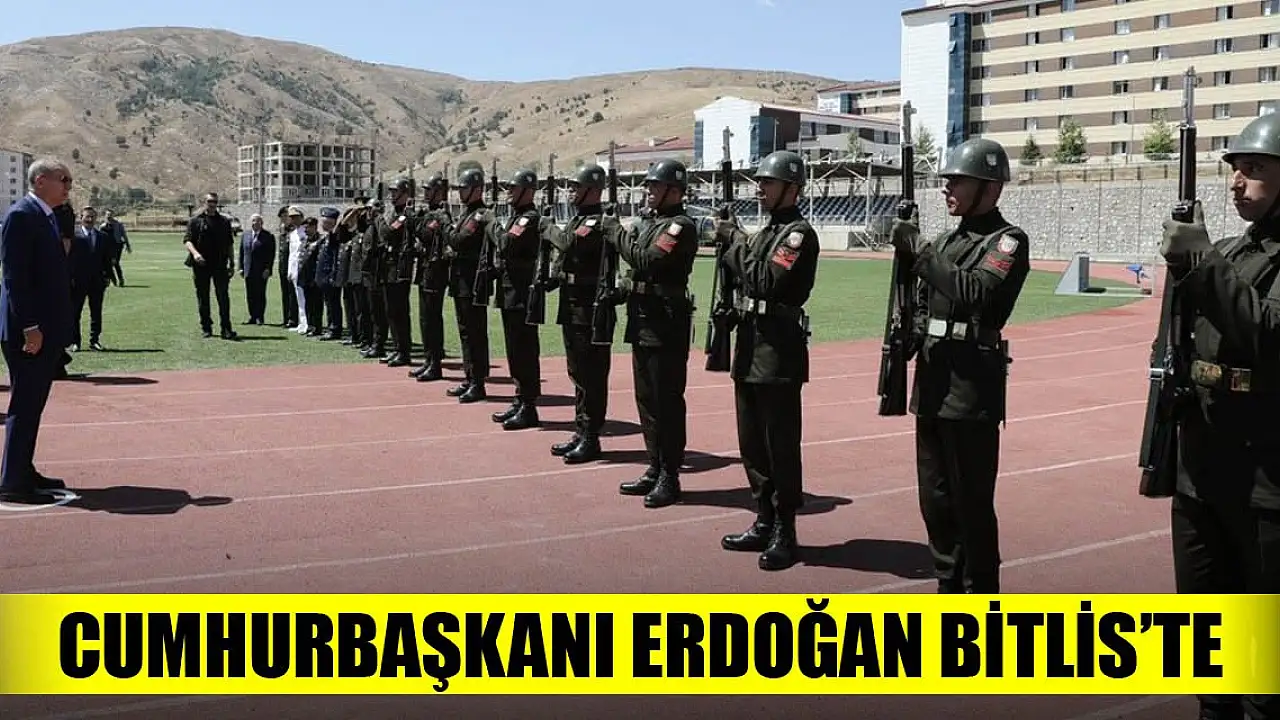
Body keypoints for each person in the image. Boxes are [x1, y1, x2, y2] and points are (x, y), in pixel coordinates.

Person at [1159, 112, 1280, 720]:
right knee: (1206, 641)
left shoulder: (1226, 257)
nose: (1237, 180)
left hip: (1264, 477)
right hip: (1202, 465)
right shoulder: (1232, 251)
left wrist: (1202, 262)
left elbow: (1267, 332)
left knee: (1261, 663)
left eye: (1253, 169)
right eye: (1233, 168)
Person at [890, 137, 1028, 594]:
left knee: (971, 504)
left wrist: (919, 251)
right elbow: (923, 301)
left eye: (958, 181)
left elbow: (977, 293)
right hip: (933, 382)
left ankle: (980, 595)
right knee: (935, 500)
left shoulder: (1007, 241)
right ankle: (948, 587)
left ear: (989, 187)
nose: (947, 188)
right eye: (946, 180)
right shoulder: (948, 241)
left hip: (971, 388)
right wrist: (906, 335)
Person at [715, 150, 819, 571]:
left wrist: (734, 241)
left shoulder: (797, 236)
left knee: (779, 446)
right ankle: (763, 518)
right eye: (759, 182)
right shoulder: (763, 234)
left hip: (778, 353)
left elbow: (765, 281)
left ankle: (785, 530)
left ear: (791, 189)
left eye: (768, 182)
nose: (759, 188)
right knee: (752, 444)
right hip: (750, 347)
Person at [613, 159, 698, 508]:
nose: (648, 190)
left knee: (666, 402)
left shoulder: (679, 227)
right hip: (644, 319)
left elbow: (649, 261)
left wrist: (616, 234)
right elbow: (639, 271)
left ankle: (670, 474)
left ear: (674, 191)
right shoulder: (652, 223)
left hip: (666, 323)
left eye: (655, 185)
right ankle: (655, 465)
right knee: (646, 400)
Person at [0, 158, 74, 504]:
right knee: (25, 404)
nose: (68, 186)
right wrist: (30, 326)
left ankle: (21, 469)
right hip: (28, 330)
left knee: (32, 405)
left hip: (44, 327)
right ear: (41, 180)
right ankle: (14, 482)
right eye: (64, 179)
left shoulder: (46, 216)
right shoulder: (22, 216)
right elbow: (15, 278)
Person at [545, 164, 617, 463]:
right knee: (577, 371)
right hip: (573, 303)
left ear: (593, 190)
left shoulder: (597, 222)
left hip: (590, 308)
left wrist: (548, 228)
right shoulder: (579, 219)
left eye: (576, 187)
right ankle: (581, 430)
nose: (571, 192)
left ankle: (591, 435)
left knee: (591, 374)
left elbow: (567, 243)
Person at [490, 168, 544, 430]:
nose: (509, 192)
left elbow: (505, 245)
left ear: (527, 191)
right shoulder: (517, 217)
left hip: (522, 294)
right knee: (514, 350)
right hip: (511, 292)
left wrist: (491, 225)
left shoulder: (528, 219)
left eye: (513, 188)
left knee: (524, 350)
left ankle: (529, 405)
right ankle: (520, 398)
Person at [445, 167, 494, 402]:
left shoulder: (479, 215)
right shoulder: (468, 214)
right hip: (461, 280)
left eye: (464, 188)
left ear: (477, 189)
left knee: (475, 333)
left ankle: (478, 382)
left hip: (473, 281)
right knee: (465, 332)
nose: (461, 193)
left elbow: (459, 240)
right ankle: (470, 376)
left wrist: (446, 228)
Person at [409, 174, 452, 382]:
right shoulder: (429, 213)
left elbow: (424, 233)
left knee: (432, 318)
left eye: (429, 190)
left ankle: (435, 363)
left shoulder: (441, 215)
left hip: (436, 271)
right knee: (425, 318)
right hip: (426, 269)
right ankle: (428, 359)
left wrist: (415, 219)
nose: (425, 194)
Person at [182, 193, 239, 340]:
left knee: (223, 297)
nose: (212, 204)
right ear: (204, 202)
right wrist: (195, 254)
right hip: (201, 264)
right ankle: (206, 327)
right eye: (209, 201)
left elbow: (229, 244)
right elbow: (187, 241)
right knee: (203, 296)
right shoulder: (195, 221)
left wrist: (232, 263)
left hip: (220, 264)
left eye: (214, 201)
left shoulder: (224, 222)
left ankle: (226, 328)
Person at [377, 178, 416, 366]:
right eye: (391, 192)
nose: (392, 195)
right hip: (389, 267)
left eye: (395, 192)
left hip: (399, 268)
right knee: (391, 310)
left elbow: (388, 233)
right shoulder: (395, 214)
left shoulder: (404, 215)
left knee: (399, 310)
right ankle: (397, 348)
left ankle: (403, 350)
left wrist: (379, 218)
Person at [69, 206, 114, 351]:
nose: (89, 219)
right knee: (75, 312)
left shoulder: (102, 237)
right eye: (87, 216)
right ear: (81, 218)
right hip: (78, 281)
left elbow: (107, 260)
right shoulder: (73, 237)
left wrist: (108, 276)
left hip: (97, 281)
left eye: (92, 217)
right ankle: (75, 341)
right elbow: (68, 259)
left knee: (96, 312)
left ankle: (95, 340)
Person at [238, 213, 275, 325]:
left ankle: (259, 317)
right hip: (248, 270)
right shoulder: (245, 235)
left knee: (260, 294)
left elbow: (271, 255)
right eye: (253, 220)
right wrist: (240, 267)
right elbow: (242, 252)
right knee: (250, 294)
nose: (255, 223)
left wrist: (268, 268)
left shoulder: (268, 236)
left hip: (261, 271)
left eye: (258, 221)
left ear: (262, 223)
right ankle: (252, 316)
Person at [99, 209, 130, 286]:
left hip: (117, 246)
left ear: (113, 215)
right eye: (107, 215)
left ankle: (120, 279)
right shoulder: (102, 226)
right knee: (107, 263)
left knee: (115, 263)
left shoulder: (118, 225)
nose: (109, 216)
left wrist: (127, 245)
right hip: (107, 247)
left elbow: (124, 234)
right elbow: (99, 237)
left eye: (110, 214)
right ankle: (109, 279)